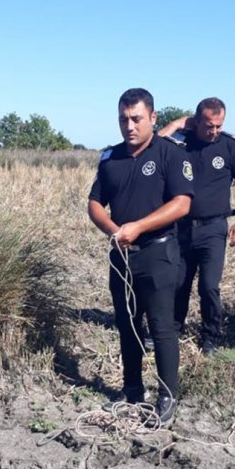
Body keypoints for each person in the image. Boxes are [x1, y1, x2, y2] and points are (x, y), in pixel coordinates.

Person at [88, 88, 194, 426]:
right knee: (127, 324)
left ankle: (167, 396)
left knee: (162, 327)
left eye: (136, 119)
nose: (129, 126)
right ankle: (132, 390)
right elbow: (94, 204)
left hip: (159, 253)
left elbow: (182, 203)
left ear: (152, 118)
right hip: (122, 255)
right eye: (123, 119)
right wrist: (114, 230)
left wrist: (139, 226)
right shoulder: (110, 158)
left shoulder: (170, 154)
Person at [159, 98, 235, 354]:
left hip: (214, 228)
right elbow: (153, 145)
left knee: (209, 286)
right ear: (196, 121)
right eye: (209, 126)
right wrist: (177, 123)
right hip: (181, 228)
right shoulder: (180, 142)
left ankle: (211, 336)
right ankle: (173, 330)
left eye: (219, 126)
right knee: (178, 284)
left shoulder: (230, 146)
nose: (214, 131)